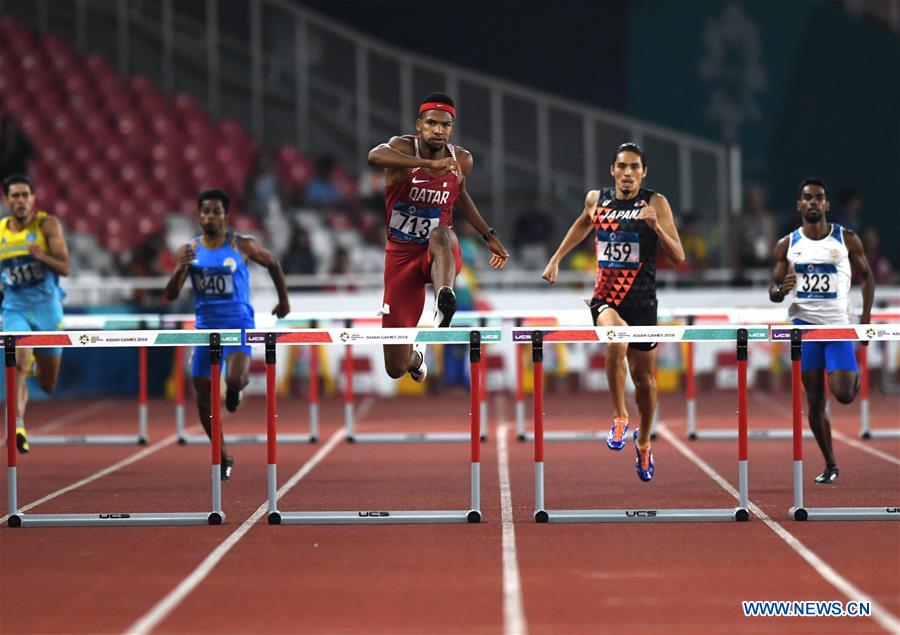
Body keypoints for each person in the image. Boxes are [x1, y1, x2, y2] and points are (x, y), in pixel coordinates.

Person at [542, 143, 684, 482]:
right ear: (612, 170)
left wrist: (656, 227)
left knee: (645, 382)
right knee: (615, 339)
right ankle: (620, 416)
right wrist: (556, 259)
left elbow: (678, 256)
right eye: (622, 166)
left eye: (634, 167)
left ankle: (644, 441)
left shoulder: (656, 203)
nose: (627, 173)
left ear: (643, 173)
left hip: (642, 303)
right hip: (606, 298)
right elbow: (582, 224)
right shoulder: (597, 199)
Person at [367, 92, 509, 381]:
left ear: (452, 129)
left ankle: (444, 299)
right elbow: (374, 156)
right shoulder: (402, 148)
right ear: (419, 125)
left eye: (445, 125)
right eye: (431, 123)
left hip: (438, 253)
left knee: (441, 234)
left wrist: (488, 235)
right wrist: (429, 165)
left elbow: (461, 195)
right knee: (395, 368)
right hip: (401, 258)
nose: (438, 130)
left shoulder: (462, 159)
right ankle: (416, 356)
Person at [165, 189, 290, 480]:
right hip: (206, 328)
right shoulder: (189, 250)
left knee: (235, 379)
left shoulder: (241, 244)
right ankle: (223, 455)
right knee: (203, 397)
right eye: (206, 212)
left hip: (238, 323)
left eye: (216, 211)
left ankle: (235, 390)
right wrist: (181, 268)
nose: (211, 217)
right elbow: (170, 295)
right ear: (199, 216)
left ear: (225, 215)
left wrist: (283, 301)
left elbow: (273, 262)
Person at [769, 177, 874, 484]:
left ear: (826, 204)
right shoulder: (786, 245)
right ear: (799, 205)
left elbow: (867, 277)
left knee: (844, 393)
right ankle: (830, 463)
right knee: (814, 399)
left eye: (818, 197)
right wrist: (780, 290)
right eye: (807, 197)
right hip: (804, 328)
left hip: (837, 326)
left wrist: (865, 319)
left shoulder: (846, 239)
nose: (813, 202)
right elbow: (774, 290)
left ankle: (851, 375)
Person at [0, 174, 70, 454]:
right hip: (14, 308)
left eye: (25, 195)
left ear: (32, 199)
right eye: (15, 196)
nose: (21, 200)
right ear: (6, 199)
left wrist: (41, 256)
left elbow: (65, 268)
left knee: (47, 384)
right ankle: (17, 425)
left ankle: (31, 365)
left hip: (47, 310)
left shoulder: (47, 225)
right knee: (18, 361)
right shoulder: (1, 232)